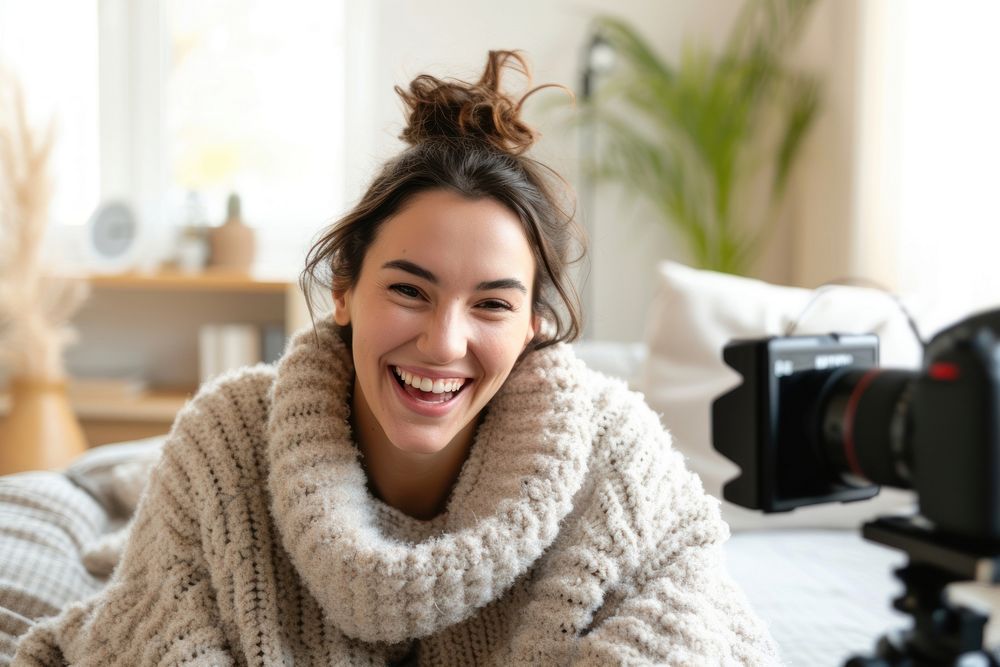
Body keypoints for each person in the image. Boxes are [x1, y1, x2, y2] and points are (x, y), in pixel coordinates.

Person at [13, 51, 777, 665]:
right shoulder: (225, 438)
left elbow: (693, 610)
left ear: (536, 324)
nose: (445, 342)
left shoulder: (614, 455)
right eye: (411, 290)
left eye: (492, 304)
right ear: (344, 290)